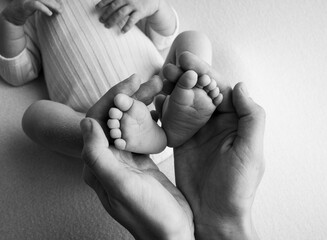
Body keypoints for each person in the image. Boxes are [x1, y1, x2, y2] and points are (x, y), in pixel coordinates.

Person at [0, 0, 216, 163]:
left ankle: (186, 97)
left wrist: (154, 6)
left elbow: (164, 35)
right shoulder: (30, 16)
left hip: (161, 90)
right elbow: (18, 73)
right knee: (34, 117)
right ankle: (105, 135)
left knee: (193, 39)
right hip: (94, 116)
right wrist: (11, 21)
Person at [81, 52, 266, 240]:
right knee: (189, 61)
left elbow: (165, 34)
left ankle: (125, 134)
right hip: (154, 113)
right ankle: (168, 121)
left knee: (191, 46)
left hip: (133, 113)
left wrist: (156, 20)